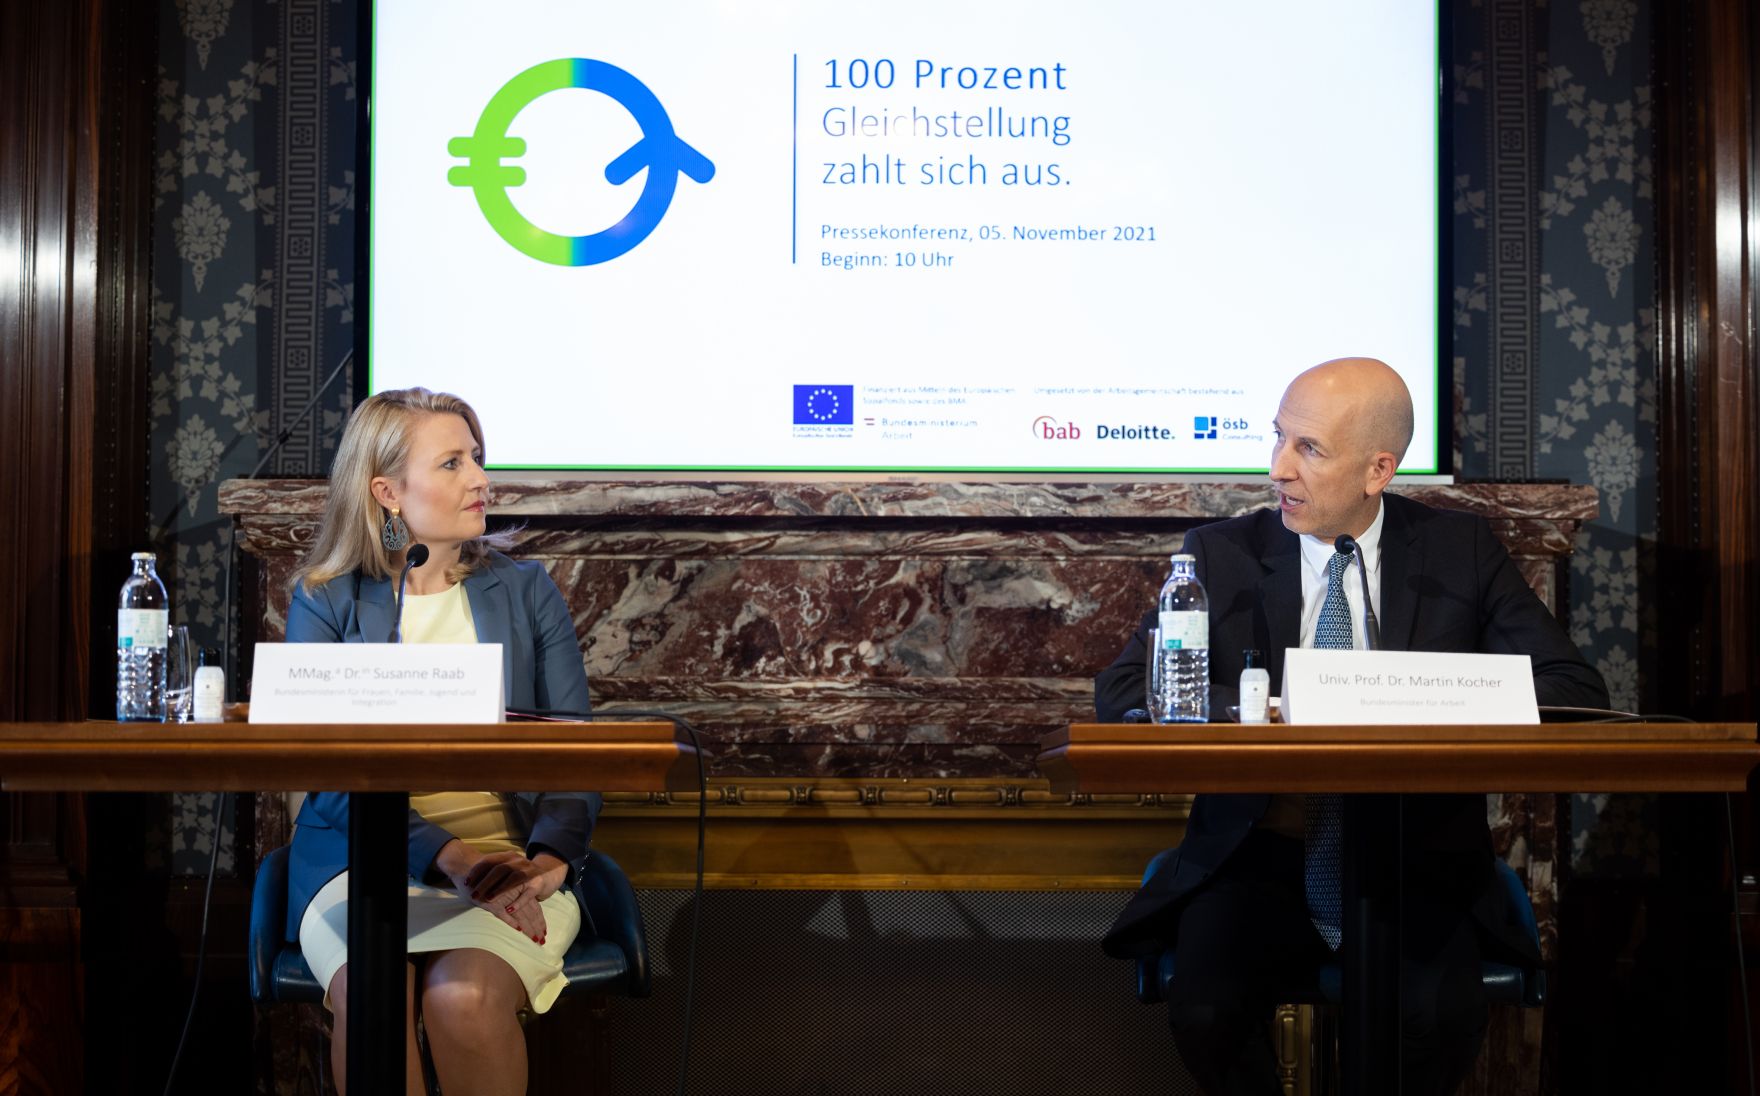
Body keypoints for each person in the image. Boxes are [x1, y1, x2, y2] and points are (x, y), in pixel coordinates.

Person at [1095, 358, 1609, 1095]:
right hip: (1261, 856)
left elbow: (1574, 690)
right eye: (1277, 440)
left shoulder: (1456, 554)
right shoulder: (1221, 553)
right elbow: (1122, 689)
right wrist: (1264, 710)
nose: (1278, 469)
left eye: (1308, 449)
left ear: (1378, 470)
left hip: (1415, 861)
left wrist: (1417, 697)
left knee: (1435, 1019)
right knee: (1206, 1011)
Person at [283, 387, 598, 1095]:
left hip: (506, 859)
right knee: (373, 995)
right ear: (387, 492)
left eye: (477, 459)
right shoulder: (326, 598)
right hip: (357, 860)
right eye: (453, 463)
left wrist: (546, 864)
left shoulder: (526, 591)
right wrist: (449, 858)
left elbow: (574, 755)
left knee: (464, 999)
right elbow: (326, 777)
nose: (481, 479)